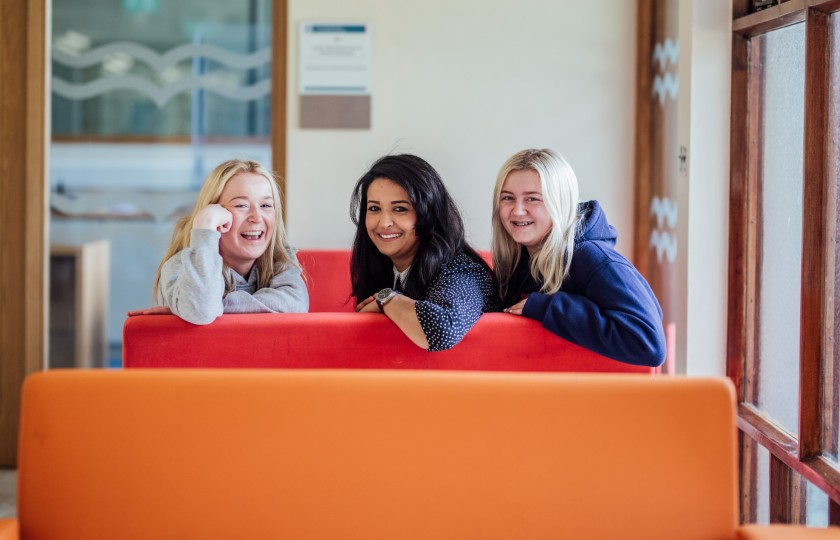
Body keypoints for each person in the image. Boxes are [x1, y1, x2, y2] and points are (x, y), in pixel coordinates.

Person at [492, 148, 666, 367]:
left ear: (561, 203)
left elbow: (649, 344)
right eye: (508, 198)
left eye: (533, 199)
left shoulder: (591, 258)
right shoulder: (521, 256)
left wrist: (550, 308)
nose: (517, 211)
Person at [128, 159, 308, 324]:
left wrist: (217, 306)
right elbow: (201, 311)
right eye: (241, 205)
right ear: (215, 213)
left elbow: (296, 303)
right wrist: (204, 225)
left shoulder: (281, 259)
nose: (257, 217)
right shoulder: (181, 268)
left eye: (266, 205)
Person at [351, 154, 498, 351]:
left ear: (429, 214)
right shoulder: (382, 267)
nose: (384, 223)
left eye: (400, 209)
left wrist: (386, 299)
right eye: (374, 208)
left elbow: (443, 330)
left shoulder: (463, 271)